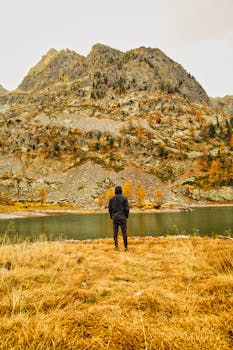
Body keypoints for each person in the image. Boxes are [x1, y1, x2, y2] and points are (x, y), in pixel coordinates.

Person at [108, 185, 129, 251]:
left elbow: (110, 209)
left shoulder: (111, 199)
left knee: (115, 233)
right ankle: (126, 247)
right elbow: (127, 209)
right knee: (124, 232)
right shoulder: (124, 198)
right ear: (121, 190)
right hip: (123, 217)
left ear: (115, 191)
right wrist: (126, 216)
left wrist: (112, 216)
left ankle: (116, 247)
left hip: (115, 218)